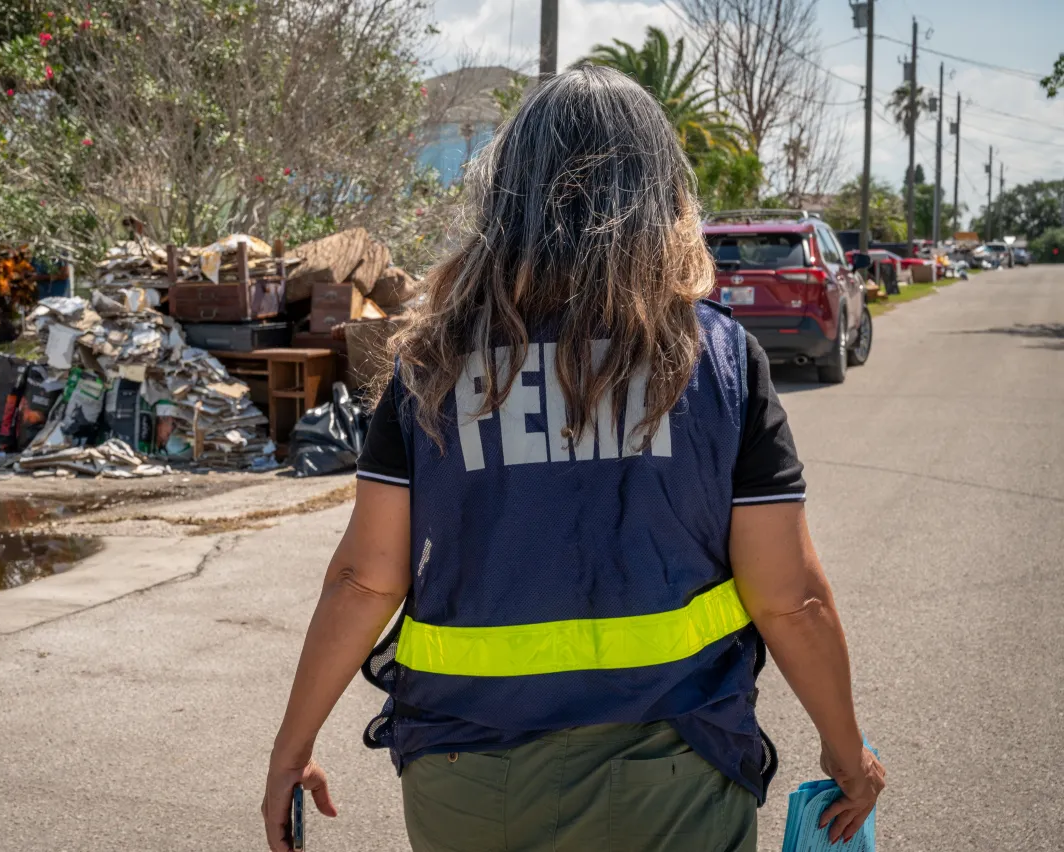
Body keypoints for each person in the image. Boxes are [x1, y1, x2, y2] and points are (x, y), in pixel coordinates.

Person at [262, 65, 884, 852]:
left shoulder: (430, 363)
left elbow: (365, 579)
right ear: (663, 197)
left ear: (504, 199)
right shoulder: (719, 359)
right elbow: (789, 597)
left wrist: (292, 750)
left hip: (468, 781)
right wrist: (844, 749)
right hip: (675, 777)